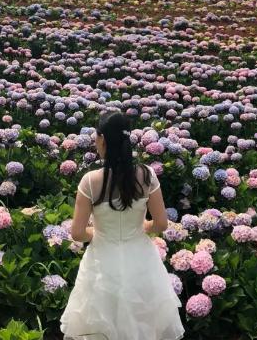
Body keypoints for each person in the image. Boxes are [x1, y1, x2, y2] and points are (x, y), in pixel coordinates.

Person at [60, 111, 185, 340]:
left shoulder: (90, 181)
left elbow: (77, 233)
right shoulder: (147, 176)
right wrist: (141, 229)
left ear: (102, 139)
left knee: (101, 325)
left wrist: (100, 232)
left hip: (102, 260)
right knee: (142, 324)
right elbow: (161, 223)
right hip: (141, 259)